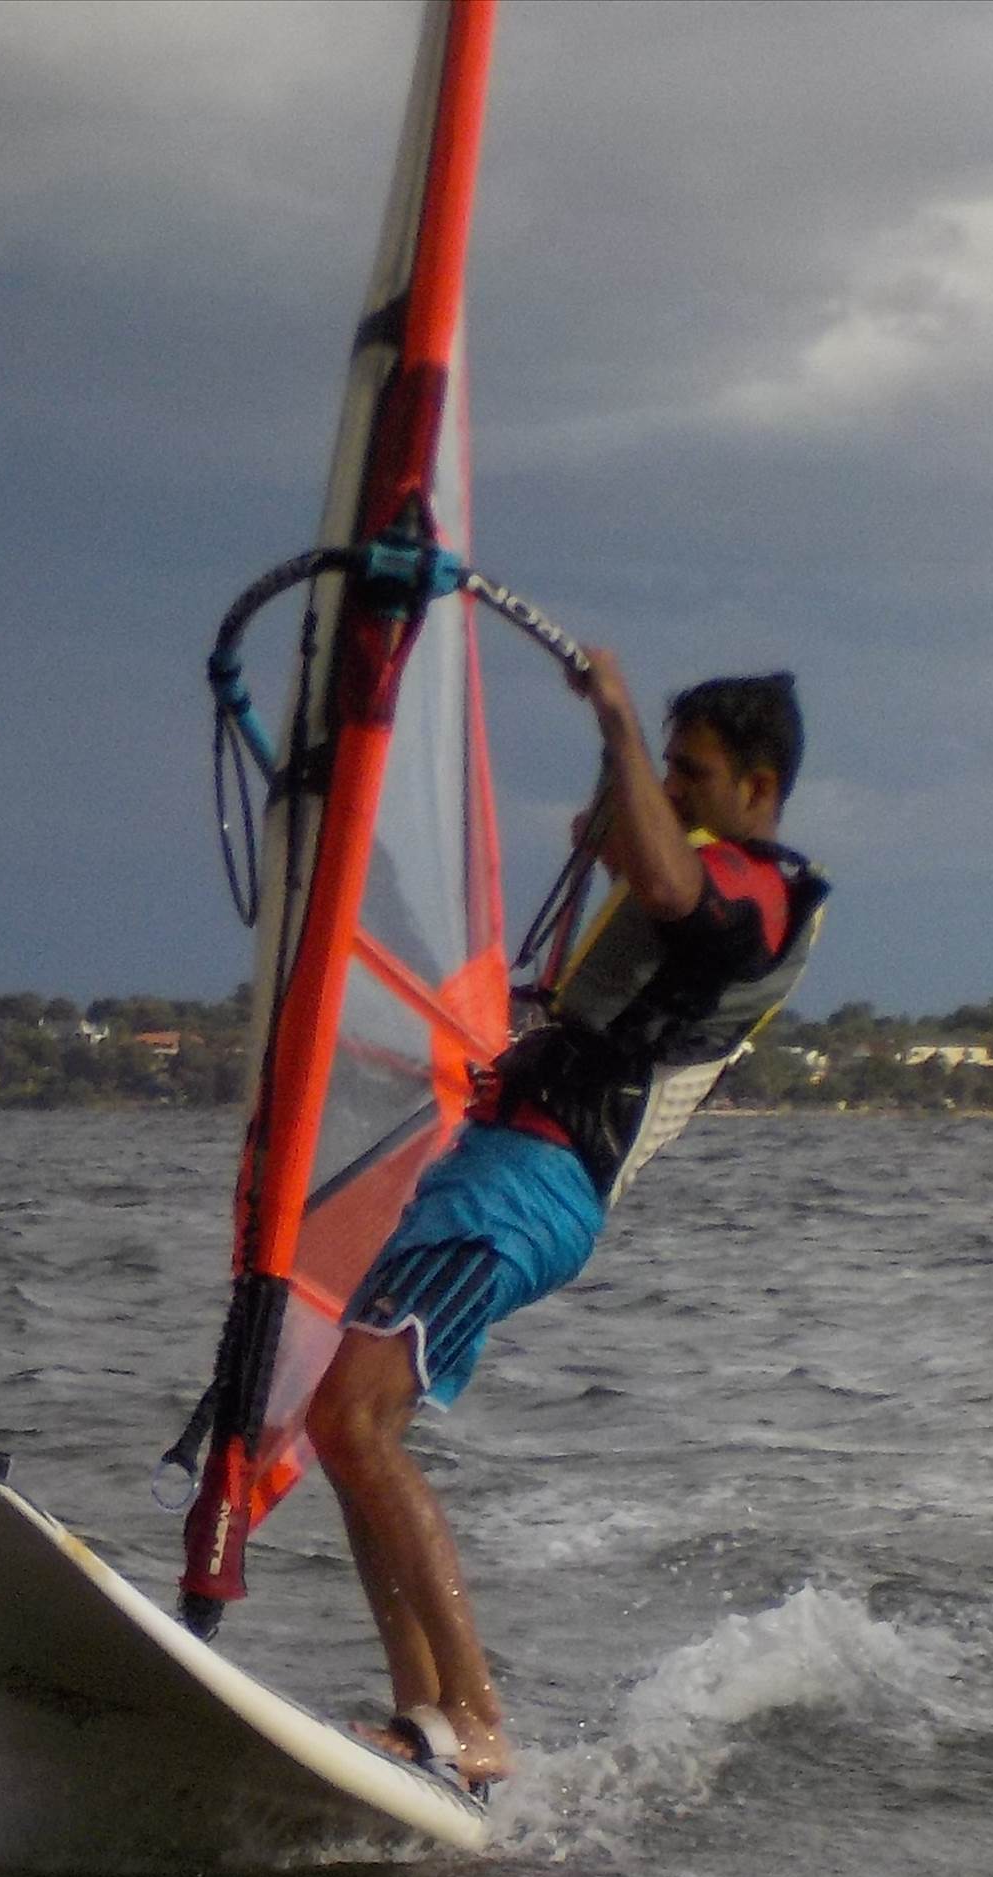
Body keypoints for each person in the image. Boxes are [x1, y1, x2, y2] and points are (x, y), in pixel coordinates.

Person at [302, 655, 827, 1794]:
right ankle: (422, 1717)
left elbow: (676, 887)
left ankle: (477, 1720)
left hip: (528, 1188)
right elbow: (641, 858)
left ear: (759, 786)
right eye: (670, 774)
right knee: (342, 1428)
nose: (674, 795)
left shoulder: (759, 890)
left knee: (354, 1417)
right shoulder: (688, 858)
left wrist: (619, 719)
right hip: (489, 1168)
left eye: (695, 776)